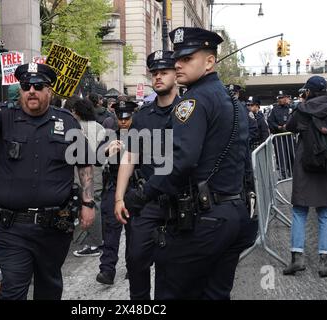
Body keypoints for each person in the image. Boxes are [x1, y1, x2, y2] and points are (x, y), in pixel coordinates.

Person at [120, 27, 258, 300]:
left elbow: (182, 161)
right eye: (177, 59)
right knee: (215, 293)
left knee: (172, 291)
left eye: (187, 59)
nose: (178, 65)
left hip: (203, 219)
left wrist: (142, 195)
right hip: (232, 213)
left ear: (209, 62)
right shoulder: (231, 100)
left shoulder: (193, 100)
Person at [0, 58, 95, 300]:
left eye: (38, 86)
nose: (32, 91)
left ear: (49, 90)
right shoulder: (5, 117)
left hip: (53, 227)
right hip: (12, 227)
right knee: (13, 289)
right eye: (26, 86)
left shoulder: (67, 121)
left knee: (49, 288)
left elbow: (83, 162)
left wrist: (88, 203)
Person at [115, 50, 179, 300]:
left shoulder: (189, 111)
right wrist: (119, 198)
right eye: (155, 73)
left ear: (176, 74)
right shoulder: (141, 116)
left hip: (179, 202)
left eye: (164, 72)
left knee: (172, 267)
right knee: (136, 260)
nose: (159, 77)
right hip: (146, 202)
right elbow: (129, 157)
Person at [283, 76, 327, 278]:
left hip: (306, 166)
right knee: (326, 214)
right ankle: (324, 263)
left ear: (308, 92)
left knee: (300, 211)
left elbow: (290, 126)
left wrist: (302, 105)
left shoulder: (302, 110)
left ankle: (297, 259)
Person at [96, 100, 136, 285]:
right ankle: (107, 269)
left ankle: (133, 266)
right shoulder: (112, 135)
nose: (123, 121)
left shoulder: (140, 135)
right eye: (120, 118)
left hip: (134, 188)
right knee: (111, 230)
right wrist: (106, 151)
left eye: (126, 118)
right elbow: (96, 157)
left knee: (133, 231)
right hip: (112, 187)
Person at [71, 98, 106, 257]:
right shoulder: (99, 128)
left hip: (80, 173)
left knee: (88, 206)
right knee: (93, 205)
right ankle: (93, 241)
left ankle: (93, 243)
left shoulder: (75, 128)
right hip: (97, 172)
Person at [267, 91, 295, 179]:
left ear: (285, 98)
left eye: (282, 97)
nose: (281, 99)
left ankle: (292, 172)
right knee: (281, 154)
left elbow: (295, 118)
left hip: (289, 135)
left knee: (291, 153)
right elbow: (270, 121)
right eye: (279, 98)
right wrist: (278, 127)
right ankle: (283, 174)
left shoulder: (290, 108)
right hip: (279, 136)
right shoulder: (274, 109)